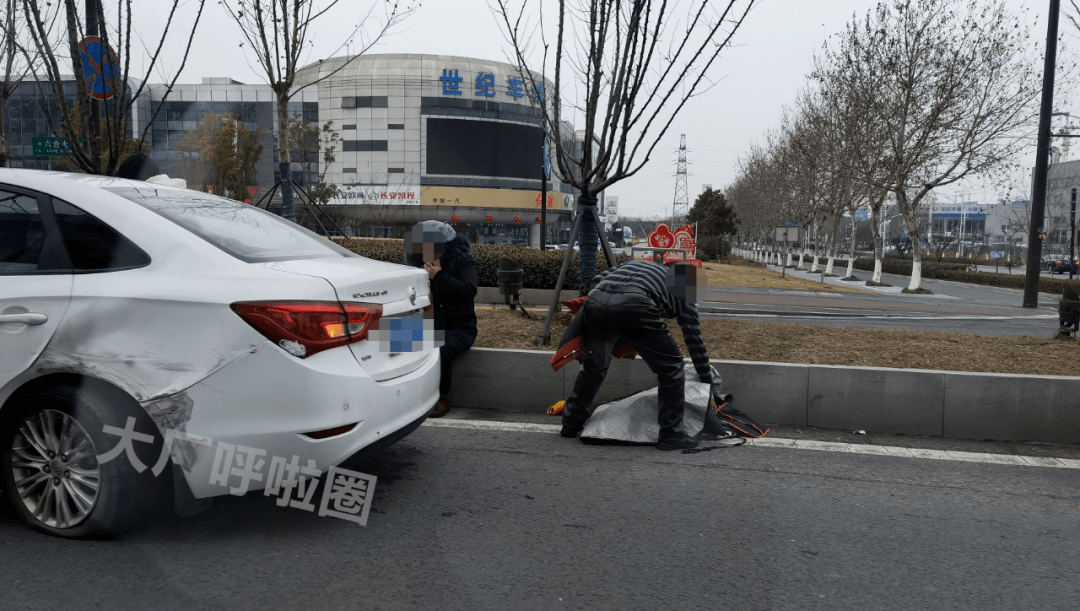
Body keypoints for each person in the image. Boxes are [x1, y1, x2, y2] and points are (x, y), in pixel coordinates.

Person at [555, 259, 712, 450]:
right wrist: (707, 383)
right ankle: (671, 435)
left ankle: (571, 424)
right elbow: (694, 342)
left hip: (596, 299)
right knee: (671, 368)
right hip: (636, 303)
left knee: (594, 367)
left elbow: (599, 278)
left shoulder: (637, 265)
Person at [404, 221, 477, 418]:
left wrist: (440, 276)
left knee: (439, 350)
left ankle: (441, 397)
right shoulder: (418, 265)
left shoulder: (462, 262)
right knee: (384, 337)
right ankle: (398, 396)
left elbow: (469, 291)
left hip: (460, 328)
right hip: (428, 324)